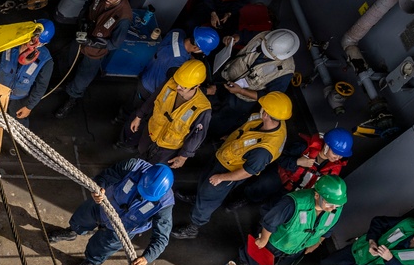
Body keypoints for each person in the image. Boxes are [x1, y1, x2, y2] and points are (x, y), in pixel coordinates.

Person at [171, 91, 291, 240]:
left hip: (229, 171)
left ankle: (193, 227)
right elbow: (248, 132)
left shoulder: (264, 150)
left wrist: (222, 177)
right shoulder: (275, 120)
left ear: (266, 114)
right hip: (224, 157)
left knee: (210, 198)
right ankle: (198, 197)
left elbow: (247, 172)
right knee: (205, 183)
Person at [47, 160, 174, 265]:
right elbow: (106, 175)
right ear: (144, 175)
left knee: (101, 249)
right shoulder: (133, 166)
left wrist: (146, 258)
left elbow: (161, 238)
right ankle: (72, 231)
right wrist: (99, 188)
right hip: (101, 206)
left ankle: (90, 262)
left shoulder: (164, 205)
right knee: (81, 219)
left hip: (122, 229)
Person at [55, 0, 133, 118]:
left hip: (95, 51)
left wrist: (92, 43)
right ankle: (64, 83)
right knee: (68, 62)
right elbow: (88, 4)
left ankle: (72, 98)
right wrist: (82, 20)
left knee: (83, 78)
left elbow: (115, 43)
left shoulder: (124, 16)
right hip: (81, 37)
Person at [207, 28, 300, 140]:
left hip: (242, 99)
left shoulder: (285, 72)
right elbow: (243, 36)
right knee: (207, 99)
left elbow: (268, 98)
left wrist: (241, 91)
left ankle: (206, 134)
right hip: (226, 76)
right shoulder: (265, 35)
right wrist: (234, 38)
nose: (264, 52)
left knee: (220, 120)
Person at [229, 127, 353, 210]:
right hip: (282, 175)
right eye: (335, 153)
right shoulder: (305, 146)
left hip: (298, 189)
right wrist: (298, 161)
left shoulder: (336, 167)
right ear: (326, 146)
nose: (337, 157)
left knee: (277, 208)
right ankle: (246, 197)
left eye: (341, 155)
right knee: (261, 186)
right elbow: (279, 157)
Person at [114, 25, 220, 121]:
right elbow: (183, 87)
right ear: (196, 48)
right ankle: (121, 120)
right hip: (150, 88)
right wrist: (208, 91)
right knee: (137, 109)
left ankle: (121, 115)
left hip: (148, 73)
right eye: (202, 50)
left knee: (133, 99)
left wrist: (188, 56)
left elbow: (175, 49)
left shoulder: (178, 32)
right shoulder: (177, 65)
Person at [120, 59, 212, 169]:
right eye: (178, 83)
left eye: (183, 86)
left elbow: (196, 136)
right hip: (150, 133)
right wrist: (139, 116)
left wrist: (183, 156)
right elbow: (154, 98)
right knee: (141, 152)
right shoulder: (170, 83)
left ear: (196, 86)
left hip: (167, 149)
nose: (177, 87)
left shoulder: (202, 109)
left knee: (152, 168)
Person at [249, 176, 347, 265]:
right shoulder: (294, 203)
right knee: (255, 259)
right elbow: (270, 222)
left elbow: (328, 229)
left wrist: (316, 244)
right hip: (276, 243)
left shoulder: (336, 208)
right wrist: (263, 240)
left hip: (298, 248)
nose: (333, 208)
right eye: (329, 203)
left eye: (337, 205)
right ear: (317, 195)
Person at [0, 19, 55, 129]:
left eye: (37, 43)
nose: (32, 44)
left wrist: (29, 106)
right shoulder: (10, 42)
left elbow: (41, 85)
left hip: (19, 98)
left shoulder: (45, 60)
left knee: (18, 124)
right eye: (32, 39)